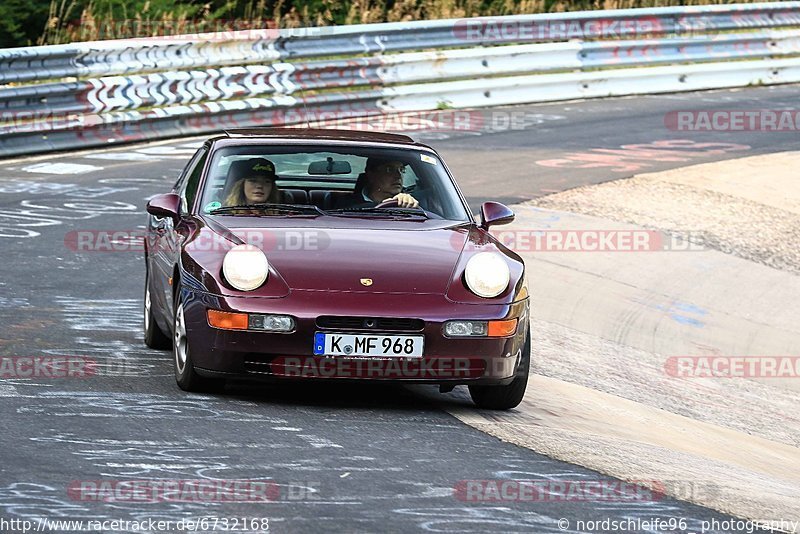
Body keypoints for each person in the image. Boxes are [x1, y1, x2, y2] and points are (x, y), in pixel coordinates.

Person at [338, 157, 420, 209]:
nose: (398, 176)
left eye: (402, 170)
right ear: (371, 174)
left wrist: (408, 204)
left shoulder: (409, 200)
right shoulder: (346, 204)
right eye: (389, 169)